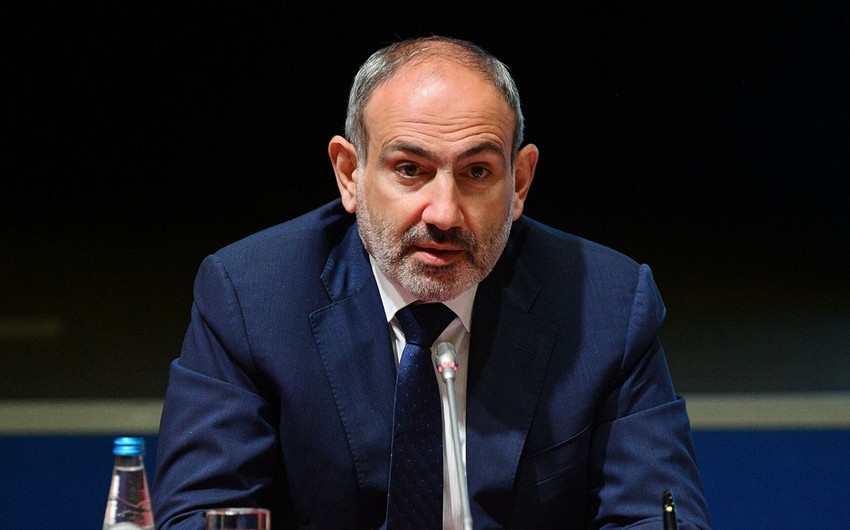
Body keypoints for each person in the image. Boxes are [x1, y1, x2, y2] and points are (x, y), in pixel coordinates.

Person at [152, 35, 711, 529]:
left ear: (519, 182)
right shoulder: (251, 297)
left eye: (477, 172)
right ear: (350, 173)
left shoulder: (607, 305)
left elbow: (655, 514)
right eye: (410, 170)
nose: (443, 213)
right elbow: (201, 514)